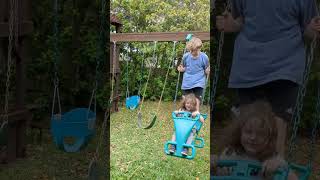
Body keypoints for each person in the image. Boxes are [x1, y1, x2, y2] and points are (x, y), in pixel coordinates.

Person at [215, 0, 320, 156]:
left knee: (277, 124)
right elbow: (239, 21)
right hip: (248, 65)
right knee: (248, 126)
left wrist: (313, 29)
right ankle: (240, 169)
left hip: (286, 65)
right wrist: (230, 24)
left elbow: (309, 29)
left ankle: (274, 166)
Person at [212, 100, 298, 179]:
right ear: (240, 132)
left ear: (269, 138)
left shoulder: (272, 158)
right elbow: (218, 176)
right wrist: (213, 164)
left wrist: (279, 167)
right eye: (248, 132)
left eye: (261, 134)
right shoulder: (230, 153)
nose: (253, 138)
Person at [177, 36, 210, 113]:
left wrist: (208, 71)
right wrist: (180, 69)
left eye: (194, 50)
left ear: (199, 48)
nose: (192, 52)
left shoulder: (204, 57)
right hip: (187, 81)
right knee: (186, 98)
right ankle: (184, 113)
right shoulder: (186, 56)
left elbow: (206, 69)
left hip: (199, 81)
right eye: (191, 51)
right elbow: (183, 67)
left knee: (197, 98)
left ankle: (196, 112)